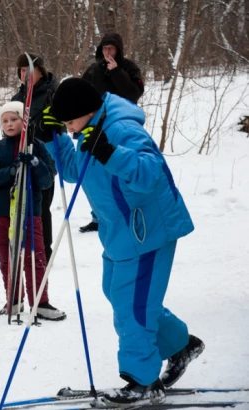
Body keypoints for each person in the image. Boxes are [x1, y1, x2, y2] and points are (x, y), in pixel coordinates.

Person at [42, 78, 204, 405]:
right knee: (119, 294)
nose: (70, 129)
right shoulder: (91, 128)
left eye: (69, 123)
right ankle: (180, 344)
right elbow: (76, 170)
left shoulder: (122, 130)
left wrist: (108, 151)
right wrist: (53, 139)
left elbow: (150, 174)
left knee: (134, 306)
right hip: (120, 232)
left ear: (86, 112)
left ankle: (142, 381)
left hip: (147, 230)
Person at [0, 101, 66, 321]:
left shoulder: (36, 146)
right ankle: (14, 299)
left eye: (14, 119)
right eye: (5, 120)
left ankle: (40, 302)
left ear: (24, 121)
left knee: (35, 256)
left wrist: (36, 163)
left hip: (29, 211)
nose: (9, 124)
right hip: (1, 212)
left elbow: (47, 180)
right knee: (7, 257)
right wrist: (11, 171)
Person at [80, 32, 145, 233]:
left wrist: (117, 72)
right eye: (105, 48)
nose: (108, 52)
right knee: (94, 172)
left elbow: (134, 94)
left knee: (121, 165)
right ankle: (97, 216)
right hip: (95, 123)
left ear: (118, 50)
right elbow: (82, 92)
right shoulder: (93, 69)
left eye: (112, 49)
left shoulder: (129, 68)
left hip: (123, 124)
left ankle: (129, 210)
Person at [11, 52, 59, 264]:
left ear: (40, 71)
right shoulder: (17, 98)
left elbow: (63, 124)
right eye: (22, 71)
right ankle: (22, 248)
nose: (25, 74)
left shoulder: (52, 94)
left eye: (29, 70)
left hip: (44, 158)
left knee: (41, 207)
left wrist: (53, 125)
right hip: (21, 158)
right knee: (21, 205)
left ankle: (43, 251)